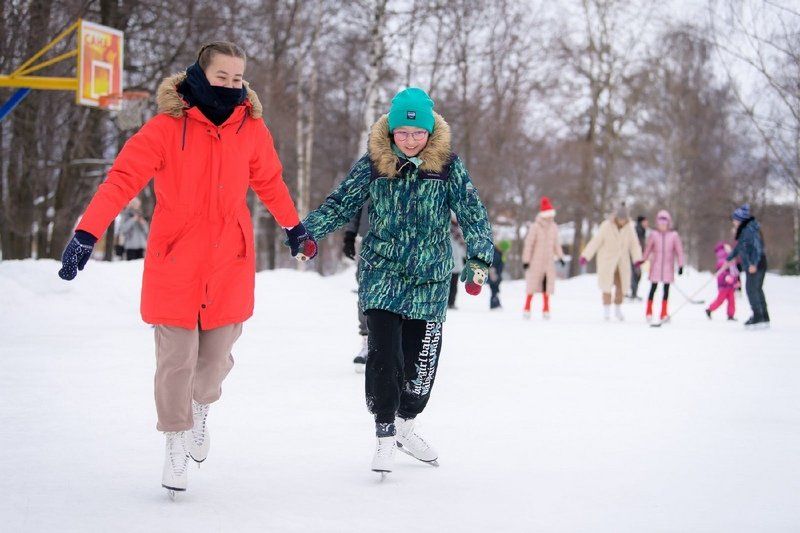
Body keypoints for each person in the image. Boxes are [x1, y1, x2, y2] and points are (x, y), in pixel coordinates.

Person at [57, 42, 313, 498]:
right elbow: (122, 180)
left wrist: (293, 227)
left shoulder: (251, 129)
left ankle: (200, 407)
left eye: (238, 78)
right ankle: (175, 439)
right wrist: (87, 233)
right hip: (174, 258)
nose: (232, 86)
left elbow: (270, 181)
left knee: (215, 360)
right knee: (176, 359)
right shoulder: (164, 128)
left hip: (229, 260)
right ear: (200, 74)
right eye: (222, 77)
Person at [297, 87, 493, 476]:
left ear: (429, 132)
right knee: (384, 354)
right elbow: (341, 203)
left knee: (420, 366)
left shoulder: (448, 166)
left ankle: (406, 422)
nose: (409, 140)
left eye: (417, 133)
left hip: (429, 277)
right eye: (402, 133)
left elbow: (473, 215)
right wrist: (307, 232)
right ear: (390, 131)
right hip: (383, 271)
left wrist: (478, 260)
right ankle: (385, 433)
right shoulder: (374, 162)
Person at [579, 203, 642, 321]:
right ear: (616, 217)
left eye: (624, 219)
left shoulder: (630, 228)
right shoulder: (606, 226)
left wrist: (637, 259)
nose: (622, 221)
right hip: (607, 261)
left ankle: (618, 309)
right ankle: (606, 310)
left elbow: (634, 245)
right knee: (606, 286)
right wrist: (586, 256)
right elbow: (596, 241)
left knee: (622, 286)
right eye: (620, 219)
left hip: (622, 262)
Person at [521, 196, 565, 319]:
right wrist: (526, 260)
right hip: (536, 262)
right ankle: (527, 308)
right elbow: (529, 244)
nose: (551, 217)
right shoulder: (535, 227)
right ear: (544, 215)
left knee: (547, 286)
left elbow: (556, 244)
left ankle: (546, 309)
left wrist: (560, 257)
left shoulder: (554, 227)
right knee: (532, 285)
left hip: (548, 262)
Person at [636, 210, 684, 322]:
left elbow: (679, 251)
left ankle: (663, 313)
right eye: (660, 223)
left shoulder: (674, 235)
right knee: (653, 289)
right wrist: (642, 260)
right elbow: (648, 249)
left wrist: (681, 265)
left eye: (664, 223)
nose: (662, 226)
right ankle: (649, 312)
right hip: (656, 267)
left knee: (666, 291)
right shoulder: (653, 235)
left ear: (668, 223)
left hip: (668, 267)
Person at [727, 203, 769, 328]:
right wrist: (729, 258)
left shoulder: (749, 230)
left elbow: (757, 247)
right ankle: (764, 316)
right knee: (757, 289)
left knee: (751, 289)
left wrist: (753, 264)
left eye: (734, 220)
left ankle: (758, 316)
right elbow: (740, 247)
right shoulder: (745, 231)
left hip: (756, 264)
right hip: (756, 264)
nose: (733, 222)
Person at [343, 203, 370, 372]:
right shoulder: (367, 175)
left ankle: (402, 343)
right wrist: (350, 234)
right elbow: (356, 201)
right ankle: (368, 342)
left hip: (405, 240)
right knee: (365, 290)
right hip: (368, 238)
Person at [706, 241, 739, 321]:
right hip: (724, 285)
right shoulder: (722, 261)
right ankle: (709, 309)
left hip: (730, 285)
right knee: (720, 300)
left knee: (732, 301)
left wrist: (735, 281)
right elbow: (721, 273)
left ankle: (730, 315)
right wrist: (726, 277)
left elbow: (734, 272)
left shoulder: (731, 260)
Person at [448, 217, 466, 309]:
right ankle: (446, 302)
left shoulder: (459, 231)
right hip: (446, 263)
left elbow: (463, 249)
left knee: (454, 285)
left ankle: (452, 302)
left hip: (456, 264)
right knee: (447, 285)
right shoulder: (446, 228)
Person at [630, 215, 648, 300]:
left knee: (637, 274)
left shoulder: (642, 230)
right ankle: (633, 293)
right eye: (645, 221)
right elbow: (636, 244)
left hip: (638, 256)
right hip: (635, 256)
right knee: (635, 274)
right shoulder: (638, 230)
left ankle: (634, 292)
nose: (646, 223)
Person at [488, 244, 505, 309]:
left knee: (495, 290)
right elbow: (494, 265)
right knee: (494, 290)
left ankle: (496, 303)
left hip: (497, 275)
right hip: (494, 274)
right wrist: (494, 273)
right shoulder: (496, 253)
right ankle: (493, 304)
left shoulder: (499, 253)